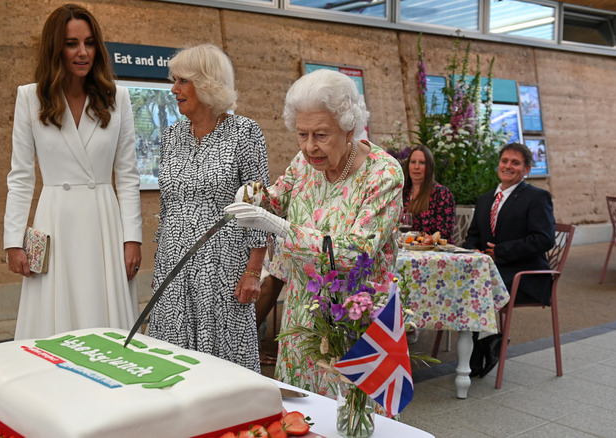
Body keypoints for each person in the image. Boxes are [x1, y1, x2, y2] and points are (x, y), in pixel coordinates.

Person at [225, 69, 404, 397]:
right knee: (301, 411)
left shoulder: (383, 173)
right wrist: (250, 194)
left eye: (321, 135)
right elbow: (277, 197)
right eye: (301, 134)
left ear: (349, 128)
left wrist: (280, 228)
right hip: (302, 312)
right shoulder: (306, 162)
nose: (309, 147)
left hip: (354, 316)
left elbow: (356, 251)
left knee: (350, 416)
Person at [4, 4, 142, 340]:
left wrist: (132, 238)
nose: (83, 52)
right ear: (55, 49)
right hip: (55, 220)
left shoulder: (117, 98)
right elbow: (21, 176)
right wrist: (13, 241)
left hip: (104, 223)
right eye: (71, 43)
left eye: (90, 43)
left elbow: (127, 175)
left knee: (105, 317)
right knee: (54, 324)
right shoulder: (30, 98)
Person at [147, 44, 270, 373]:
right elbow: (168, 203)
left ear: (207, 83)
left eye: (182, 81)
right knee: (172, 363)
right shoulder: (171, 136)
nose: (174, 89)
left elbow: (257, 205)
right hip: (174, 267)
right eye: (175, 81)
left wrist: (254, 271)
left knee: (222, 366)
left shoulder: (244, 133)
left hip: (223, 269)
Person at [463, 142, 555, 377]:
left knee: (476, 288)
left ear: (527, 170)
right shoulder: (485, 200)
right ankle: (487, 341)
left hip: (525, 276)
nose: (508, 166)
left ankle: (479, 350)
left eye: (515, 163)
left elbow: (544, 239)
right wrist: (476, 252)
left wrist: (501, 251)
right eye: (505, 161)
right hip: (490, 273)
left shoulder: (537, 197)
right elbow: (472, 236)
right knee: (460, 283)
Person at [402, 145, 455, 240]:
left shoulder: (441, 193)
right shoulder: (402, 193)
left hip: (433, 251)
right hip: (405, 249)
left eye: (422, 163)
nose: (416, 167)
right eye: (413, 162)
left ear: (429, 167)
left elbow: (444, 233)